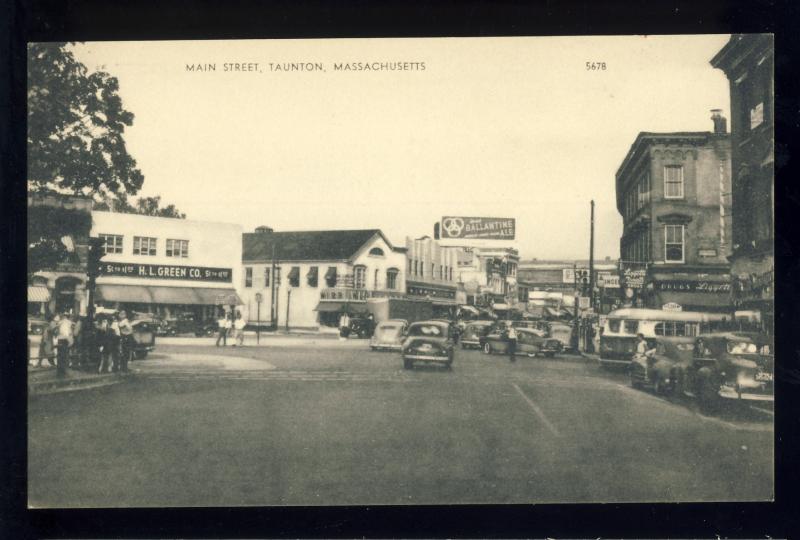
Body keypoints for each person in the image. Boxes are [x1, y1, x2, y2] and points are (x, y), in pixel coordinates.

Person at [55, 312, 74, 378]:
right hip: (65, 341)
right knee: (64, 357)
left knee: (60, 357)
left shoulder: (60, 322)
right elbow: (66, 334)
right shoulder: (68, 323)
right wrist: (70, 342)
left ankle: (59, 373)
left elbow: (57, 331)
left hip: (60, 340)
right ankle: (63, 373)